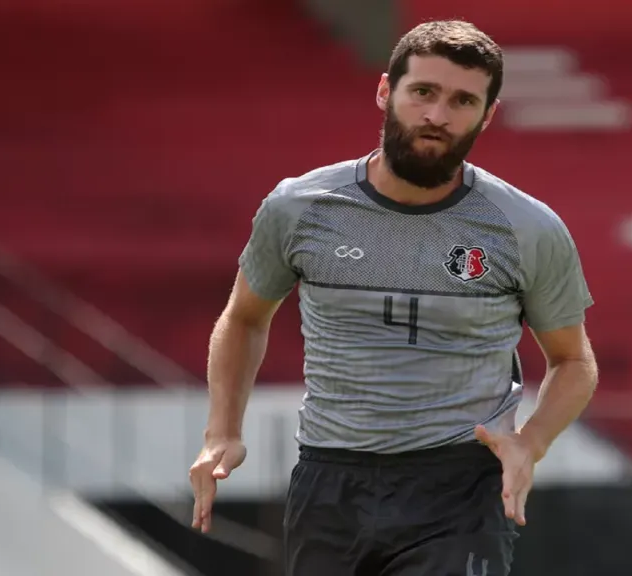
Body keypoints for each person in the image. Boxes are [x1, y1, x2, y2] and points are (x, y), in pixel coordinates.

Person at [188, 19, 598, 576]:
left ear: (487, 114)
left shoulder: (526, 228)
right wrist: (222, 432)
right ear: (386, 91)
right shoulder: (298, 207)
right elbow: (243, 319)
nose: (437, 115)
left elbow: (573, 362)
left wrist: (532, 442)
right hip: (330, 480)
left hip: (460, 487)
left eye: (462, 100)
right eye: (423, 92)